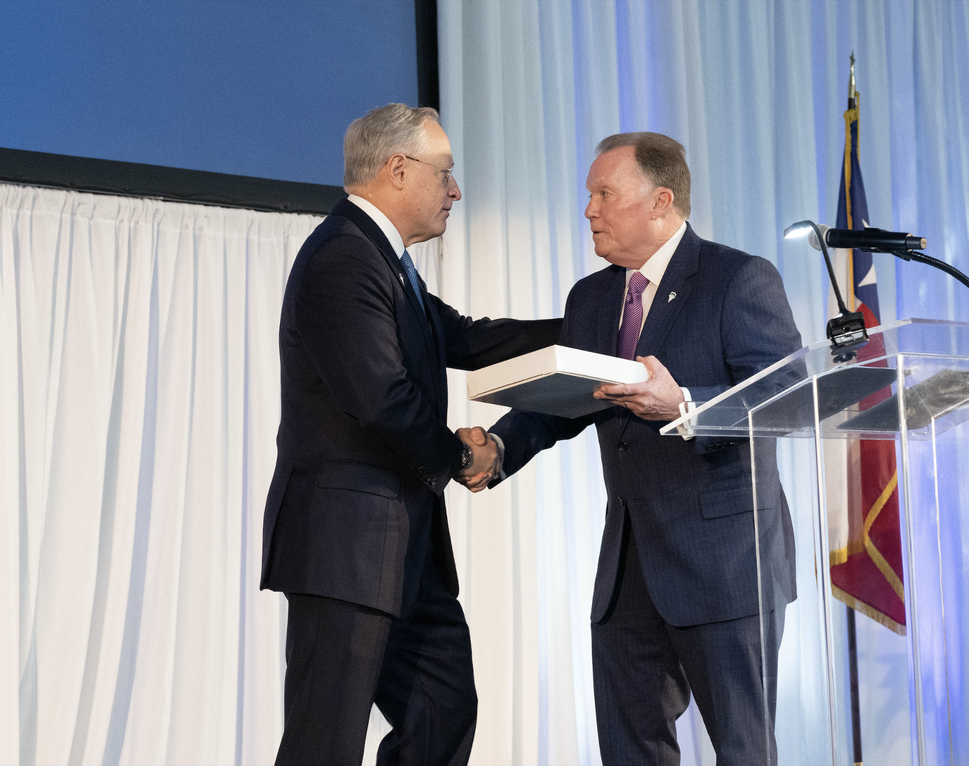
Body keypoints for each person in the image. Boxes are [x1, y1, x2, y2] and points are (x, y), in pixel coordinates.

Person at [478, 132, 802, 765]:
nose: (589, 209)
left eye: (605, 193)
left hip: (726, 566)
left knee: (743, 751)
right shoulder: (592, 296)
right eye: (589, 195)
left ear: (660, 201)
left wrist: (684, 406)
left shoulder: (737, 278)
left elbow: (786, 396)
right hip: (628, 570)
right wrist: (498, 446)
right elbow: (568, 399)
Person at [259, 104, 561, 766]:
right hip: (347, 550)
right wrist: (462, 456)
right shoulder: (343, 256)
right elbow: (381, 399)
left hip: (406, 554)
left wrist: (594, 328)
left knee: (443, 709)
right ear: (399, 169)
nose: (455, 190)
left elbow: (472, 338)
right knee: (324, 744)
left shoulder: (386, 260)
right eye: (446, 173)